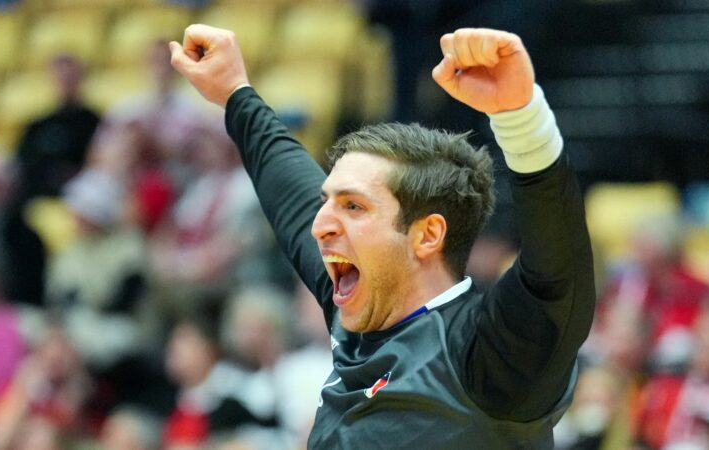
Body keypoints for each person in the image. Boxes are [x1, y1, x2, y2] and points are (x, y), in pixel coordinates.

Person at [169, 24, 595, 449]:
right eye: (327, 202)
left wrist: (521, 117)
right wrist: (235, 92)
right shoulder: (358, 303)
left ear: (427, 235)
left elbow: (556, 272)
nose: (321, 224)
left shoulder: (490, 352)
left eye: (353, 206)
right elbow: (289, 189)